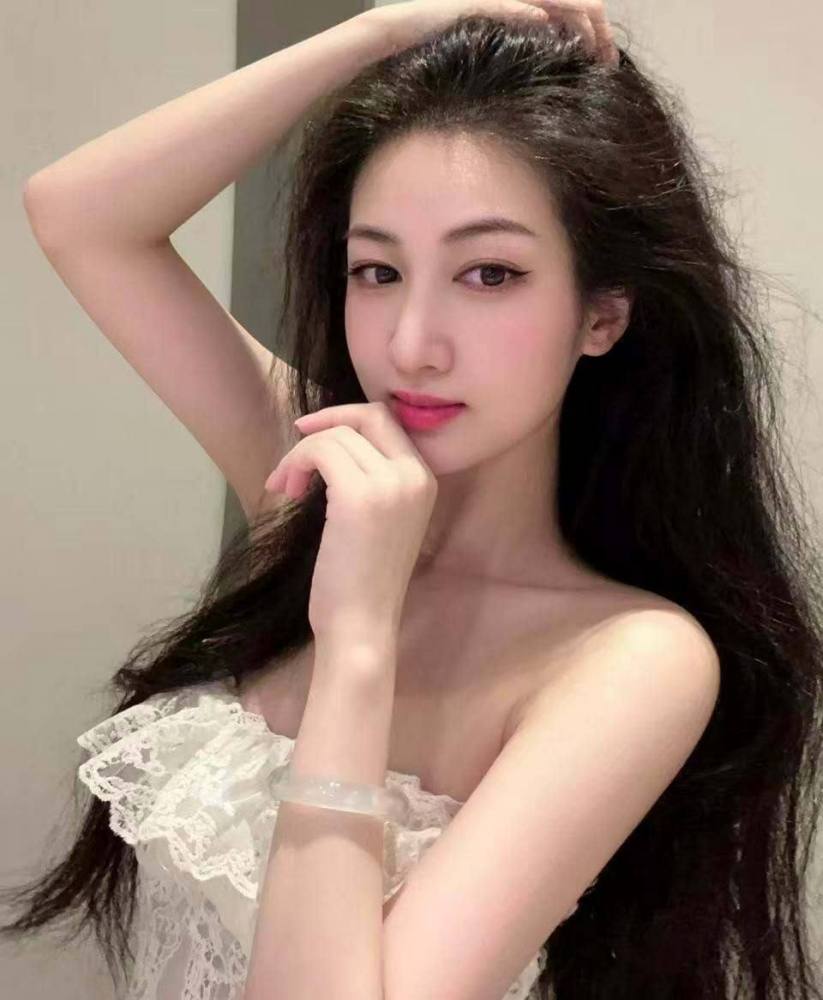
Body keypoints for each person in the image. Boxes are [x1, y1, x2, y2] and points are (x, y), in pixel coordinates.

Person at [5, 2, 823, 998]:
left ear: (601, 315)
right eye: (378, 270)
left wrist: (357, 638)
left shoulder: (630, 661)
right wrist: (379, 36)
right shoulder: (315, 476)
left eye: (490, 273)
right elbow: (79, 215)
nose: (410, 344)